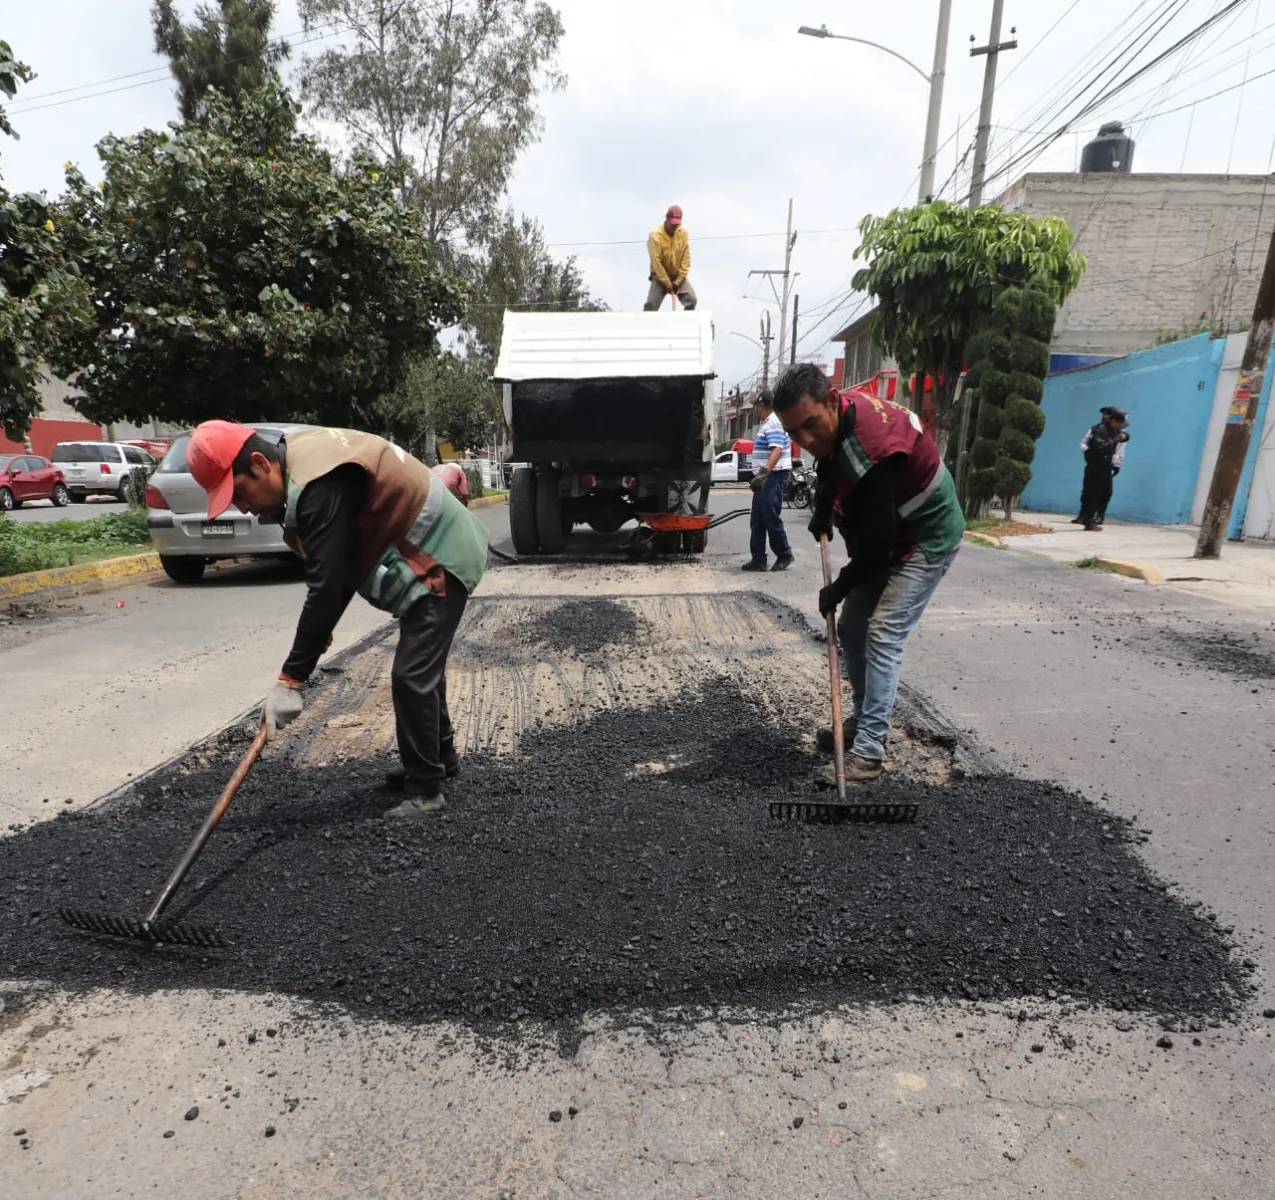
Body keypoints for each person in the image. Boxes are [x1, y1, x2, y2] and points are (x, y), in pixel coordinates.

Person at [186, 422, 490, 818]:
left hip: (442, 557)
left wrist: (291, 679)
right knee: (422, 669)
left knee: (412, 675)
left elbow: (327, 587)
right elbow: (339, 571)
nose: (243, 507)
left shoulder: (318, 483)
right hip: (429, 553)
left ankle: (426, 791)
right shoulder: (301, 463)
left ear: (261, 464)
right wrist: (318, 632)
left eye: (240, 492)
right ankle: (438, 758)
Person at [772, 363, 964, 782]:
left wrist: (838, 586)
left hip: (925, 538)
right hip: (891, 537)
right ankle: (861, 724)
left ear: (831, 400)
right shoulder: (840, 422)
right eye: (792, 433)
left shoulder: (873, 449)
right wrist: (822, 509)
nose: (804, 440)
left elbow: (876, 550)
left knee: (882, 633)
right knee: (853, 627)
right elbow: (828, 463)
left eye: (809, 425)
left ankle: (870, 752)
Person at [741, 389, 794, 572]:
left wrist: (763, 474)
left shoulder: (773, 422)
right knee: (757, 520)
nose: (755, 409)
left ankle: (784, 554)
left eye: (756, 405)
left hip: (773, 477)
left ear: (761, 405)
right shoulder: (768, 423)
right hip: (766, 478)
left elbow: (777, 449)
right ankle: (758, 559)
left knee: (770, 517)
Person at [1074, 406, 1129, 531]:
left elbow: (1121, 446)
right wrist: (1089, 453)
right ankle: (1088, 520)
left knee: (1104, 492)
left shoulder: (1113, 431)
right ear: (1113, 420)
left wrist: (1116, 464)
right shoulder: (1100, 429)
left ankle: (1094, 518)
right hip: (1096, 465)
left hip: (1105, 465)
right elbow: (1100, 447)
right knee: (1092, 493)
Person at [644, 204, 696, 311]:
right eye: (672, 224)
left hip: (677, 277)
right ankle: (645, 326)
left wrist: (677, 281)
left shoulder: (683, 233)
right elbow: (656, 262)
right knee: (650, 306)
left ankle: (686, 325)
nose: (674, 227)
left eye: (676, 225)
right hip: (660, 277)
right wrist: (667, 283)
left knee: (692, 300)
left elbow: (686, 259)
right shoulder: (655, 236)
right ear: (666, 219)